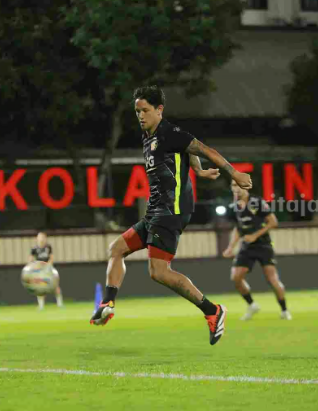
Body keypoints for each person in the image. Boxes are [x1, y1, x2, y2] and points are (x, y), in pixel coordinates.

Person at [89, 85, 252, 346]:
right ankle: (107, 303)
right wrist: (197, 172)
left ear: (159, 110)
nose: (140, 115)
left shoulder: (169, 132)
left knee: (159, 271)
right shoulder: (149, 135)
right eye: (137, 111)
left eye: (145, 110)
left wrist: (235, 174)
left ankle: (213, 311)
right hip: (156, 209)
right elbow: (186, 152)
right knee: (116, 249)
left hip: (171, 211)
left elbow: (203, 149)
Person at [222, 180, 292, 320]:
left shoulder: (256, 202)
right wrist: (231, 247)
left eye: (238, 185)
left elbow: (273, 222)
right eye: (233, 186)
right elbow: (238, 228)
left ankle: (284, 310)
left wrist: (255, 235)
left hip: (263, 245)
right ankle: (252, 305)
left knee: (272, 280)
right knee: (236, 277)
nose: (235, 188)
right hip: (247, 246)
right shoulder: (235, 206)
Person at [29, 232, 64, 310]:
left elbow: (51, 258)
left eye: (43, 237)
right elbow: (31, 260)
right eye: (40, 237)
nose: (41, 239)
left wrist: (48, 266)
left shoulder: (48, 247)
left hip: (49, 269)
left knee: (55, 286)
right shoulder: (34, 249)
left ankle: (60, 303)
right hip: (39, 270)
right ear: (37, 239)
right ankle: (41, 305)